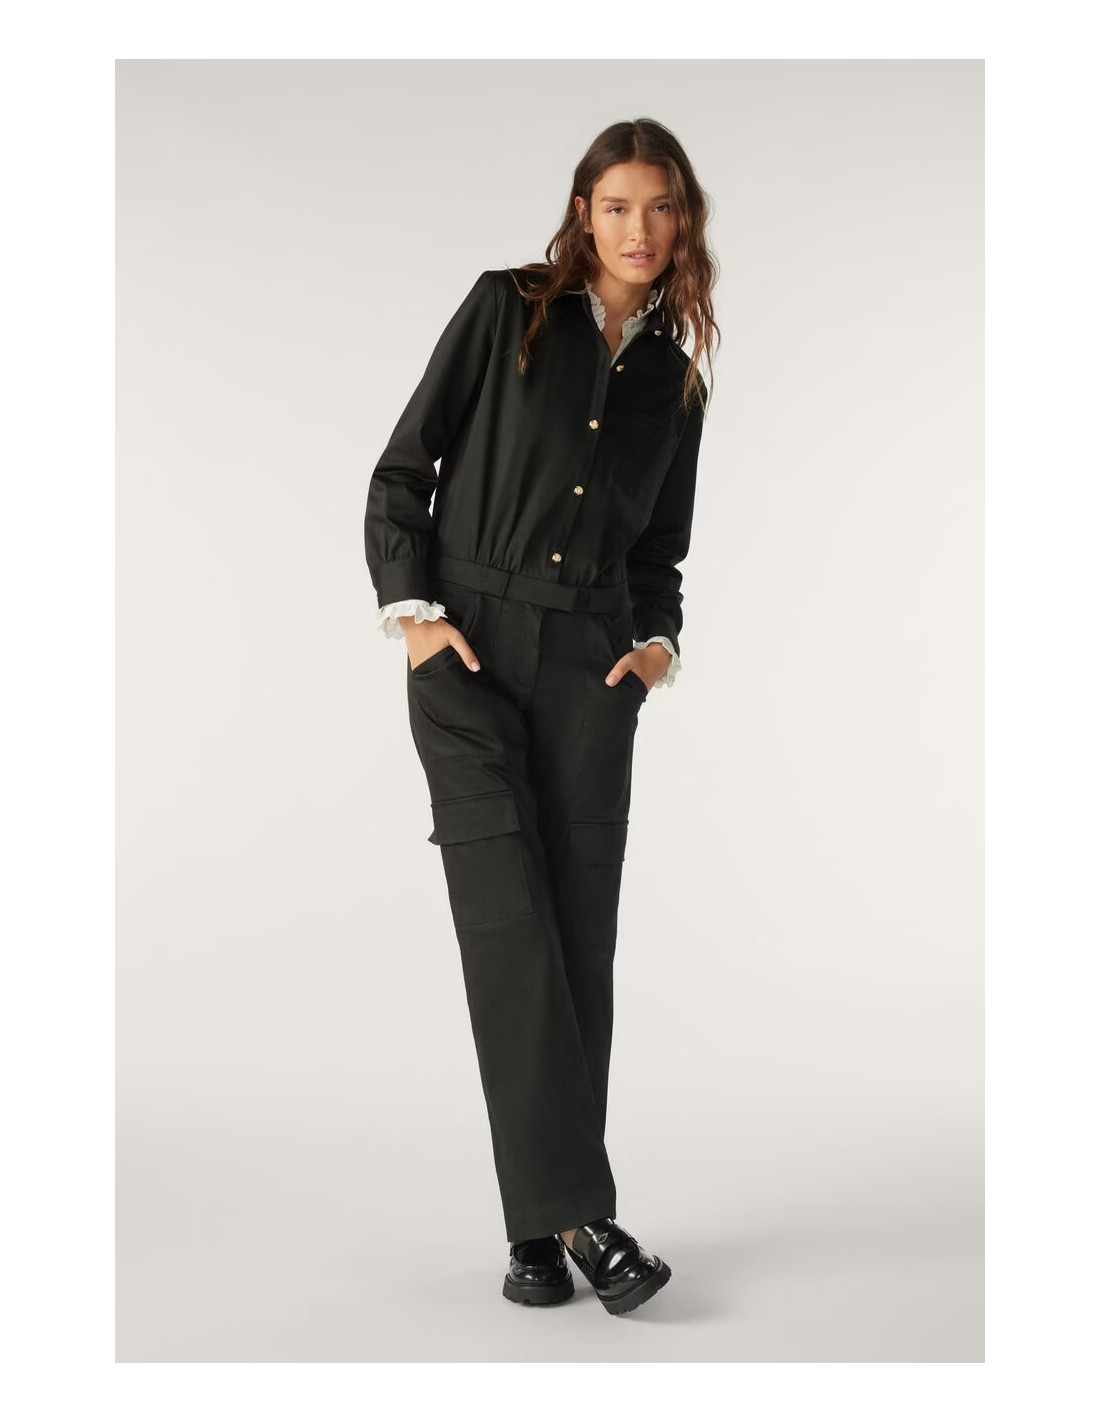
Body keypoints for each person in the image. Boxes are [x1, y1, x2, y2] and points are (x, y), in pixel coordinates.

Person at [364, 117, 718, 1317]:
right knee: (508, 930)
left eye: (659, 207)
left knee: (574, 947)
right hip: (466, 656)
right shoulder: (504, 310)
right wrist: (415, 619)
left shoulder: (675, 380)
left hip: (590, 672)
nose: (637, 229)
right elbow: (402, 470)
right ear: (581, 213)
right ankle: (584, 1221)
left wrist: (655, 645)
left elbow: (659, 548)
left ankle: (533, 1232)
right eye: (616, 206)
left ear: (682, 221)